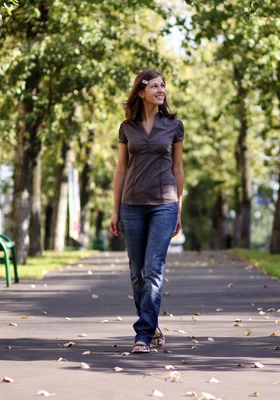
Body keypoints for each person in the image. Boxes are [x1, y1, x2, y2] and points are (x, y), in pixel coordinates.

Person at [109, 69, 185, 354]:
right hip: (131, 205)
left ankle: (142, 334)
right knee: (137, 272)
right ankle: (151, 325)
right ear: (141, 92)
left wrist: (179, 207)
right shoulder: (127, 128)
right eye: (155, 86)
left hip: (164, 204)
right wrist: (114, 211)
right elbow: (121, 169)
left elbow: (178, 168)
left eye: (163, 85)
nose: (161, 90)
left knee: (153, 270)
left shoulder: (174, 125)